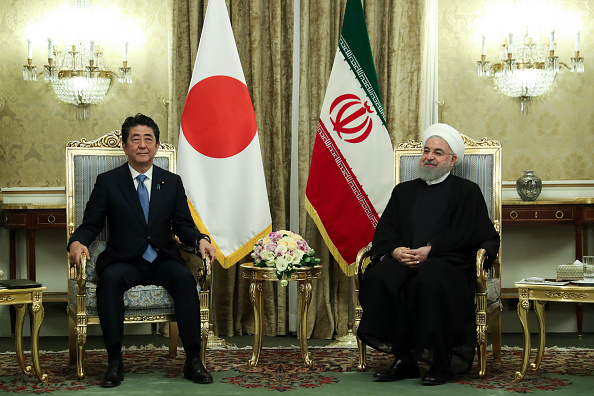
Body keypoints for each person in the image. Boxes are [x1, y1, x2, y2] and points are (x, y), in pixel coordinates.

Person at [68, 113, 217, 388]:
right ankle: (114, 362)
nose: (142, 145)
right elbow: (91, 223)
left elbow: (183, 224)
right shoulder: (108, 182)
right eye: (135, 139)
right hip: (124, 260)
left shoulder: (171, 182)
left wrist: (200, 240)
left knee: (185, 279)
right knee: (109, 281)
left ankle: (193, 360)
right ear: (125, 147)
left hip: (161, 258)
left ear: (157, 146)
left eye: (148, 139)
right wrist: (77, 242)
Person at [357, 123, 500, 386]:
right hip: (407, 259)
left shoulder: (467, 192)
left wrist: (433, 251)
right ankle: (404, 359)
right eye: (426, 151)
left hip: (447, 262)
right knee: (382, 276)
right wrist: (395, 250)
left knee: (430, 279)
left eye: (438, 152)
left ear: (452, 160)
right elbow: (386, 230)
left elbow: (478, 235)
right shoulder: (404, 191)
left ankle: (441, 362)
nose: (429, 157)